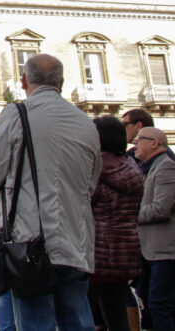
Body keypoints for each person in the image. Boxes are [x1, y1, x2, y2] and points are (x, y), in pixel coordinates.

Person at [0, 54, 101, 331]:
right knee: (78, 320)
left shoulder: (17, 114)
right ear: (62, 82)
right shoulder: (85, 122)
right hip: (76, 240)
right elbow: (91, 183)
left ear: (24, 81)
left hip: (30, 242)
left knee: (36, 323)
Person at [87, 116, 143, 331]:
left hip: (96, 250)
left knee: (89, 312)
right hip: (124, 250)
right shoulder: (130, 168)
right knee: (116, 313)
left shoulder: (97, 171)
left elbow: (83, 201)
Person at [134, 127, 175, 330]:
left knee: (159, 304)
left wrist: (132, 214)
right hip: (151, 251)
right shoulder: (148, 167)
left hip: (164, 252)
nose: (134, 142)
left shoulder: (166, 167)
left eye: (139, 139)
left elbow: (161, 209)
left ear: (154, 143)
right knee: (150, 304)